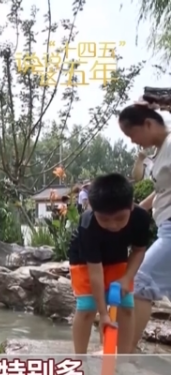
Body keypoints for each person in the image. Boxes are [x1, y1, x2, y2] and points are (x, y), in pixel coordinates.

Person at [66, 173, 151, 354]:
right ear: (93, 209)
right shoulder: (88, 224)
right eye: (104, 219)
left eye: (120, 218)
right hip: (84, 258)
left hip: (117, 255)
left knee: (126, 305)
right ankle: (80, 359)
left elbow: (138, 250)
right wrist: (103, 314)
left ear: (131, 206)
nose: (113, 225)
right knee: (88, 306)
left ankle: (123, 358)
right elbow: (95, 272)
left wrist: (126, 278)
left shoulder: (141, 218)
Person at [117, 103, 171, 351]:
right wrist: (138, 209)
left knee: (140, 281)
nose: (133, 141)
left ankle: (125, 352)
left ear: (148, 124)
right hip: (164, 225)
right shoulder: (161, 149)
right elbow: (163, 190)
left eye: (132, 134)